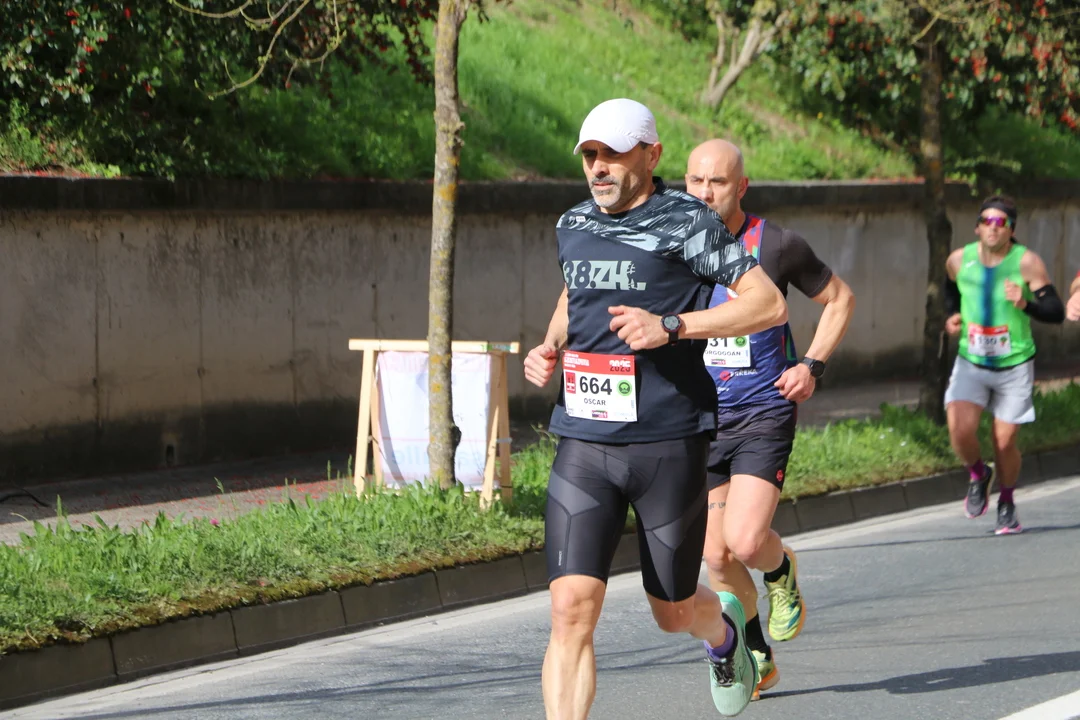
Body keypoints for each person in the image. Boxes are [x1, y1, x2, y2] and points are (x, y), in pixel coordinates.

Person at [523, 98, 788, 719]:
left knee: (672, 611)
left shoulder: (688, 223)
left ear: (651, 154)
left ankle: (722, 634)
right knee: (570, 609)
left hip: (667, 443)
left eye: (613, 154)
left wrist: (672, 325)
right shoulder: (573, 223)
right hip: (585, 441)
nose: (598, 167)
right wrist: (550, 344)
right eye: (589, 155)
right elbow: (575, 290)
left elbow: (767, 302)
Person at [684, 139, 856, 700]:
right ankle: (756, 653)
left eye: (717, 182)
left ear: (741, 187)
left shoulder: (777, 244)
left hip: (763, 410)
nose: (704, 193)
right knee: (714, 554)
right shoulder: (676, 245)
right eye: (695, 181)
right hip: (701, 418)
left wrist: (811, 365)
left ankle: (779, 571)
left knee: (744, 538)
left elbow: (840, 299)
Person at [944, 195, 1065, 535]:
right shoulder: (958, 260)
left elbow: (1055, 312)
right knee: (959, 429)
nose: (993, 228)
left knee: (1005, 441)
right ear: (977, 227)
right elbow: (952, 291)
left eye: (1001, 223)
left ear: (1011, 229)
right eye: (987, 221)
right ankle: (979, 474)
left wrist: (1025, 303)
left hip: (1014, 364)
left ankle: (1007, 502)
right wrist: (951, 315)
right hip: (971, 360)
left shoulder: (1026, 262)